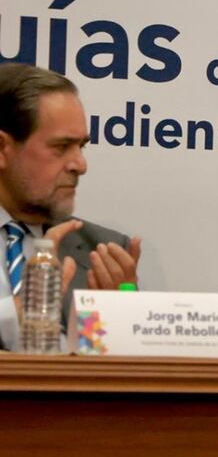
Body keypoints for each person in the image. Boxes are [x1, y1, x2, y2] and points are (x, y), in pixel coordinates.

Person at [0, 63, 140, 351]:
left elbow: (123, 377)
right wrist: (15, 314)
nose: (81, 165)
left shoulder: (103, 250)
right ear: (2, 149)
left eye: (82, 146)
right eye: (62, 147)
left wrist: (121, 322)